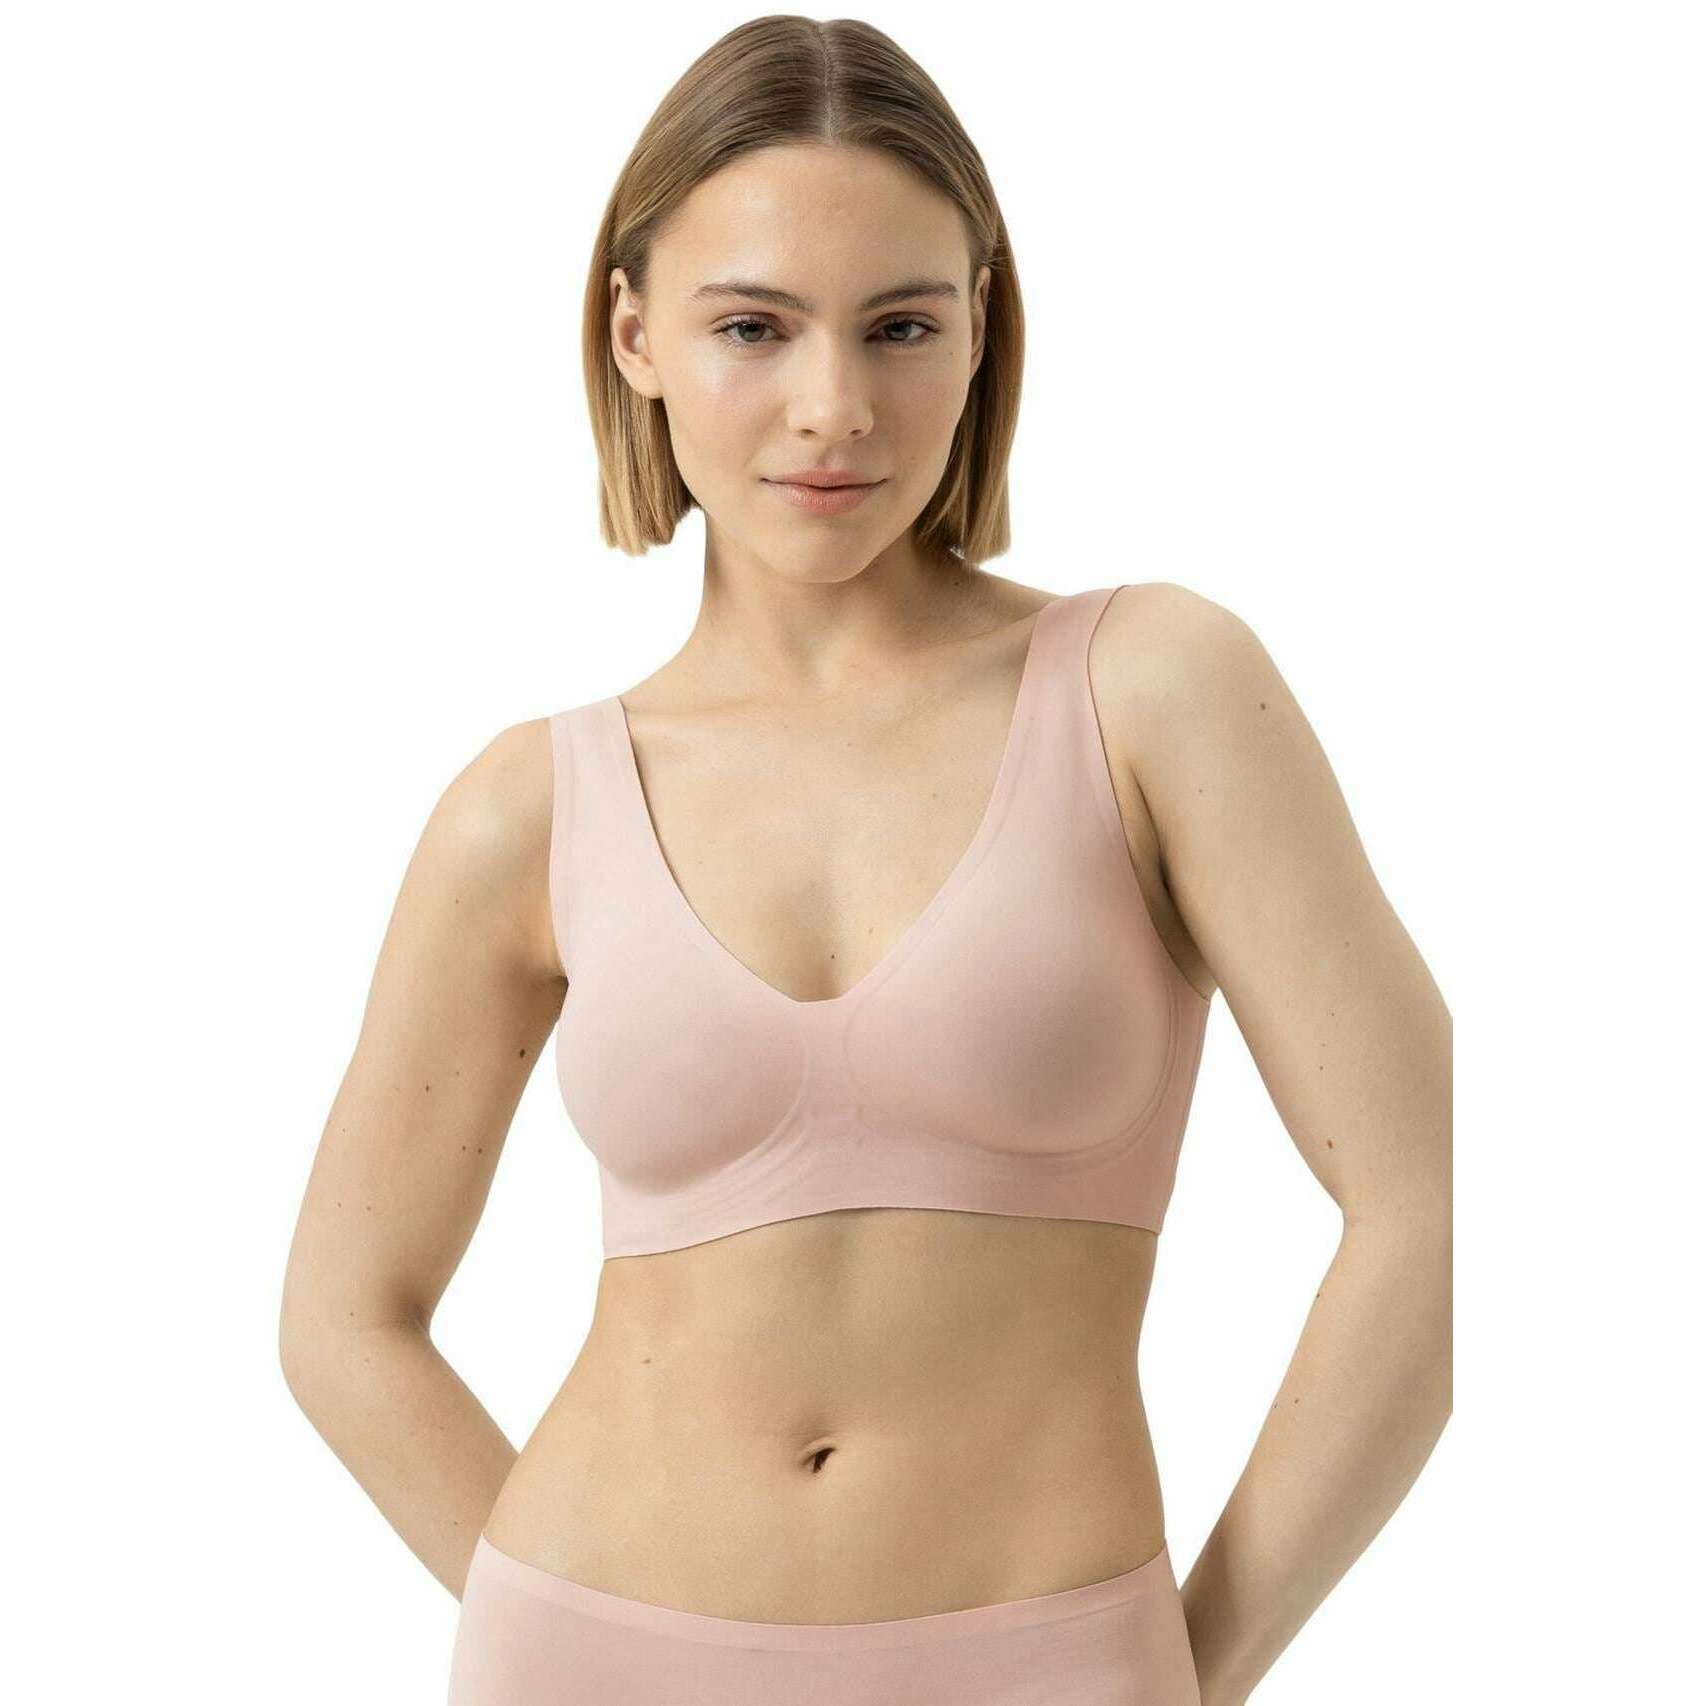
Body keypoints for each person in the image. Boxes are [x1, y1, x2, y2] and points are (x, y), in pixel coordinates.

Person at [278, 17, 1452, 1705]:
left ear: (980, 328)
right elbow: (343, 1311)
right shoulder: (530, 804)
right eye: (751, 326)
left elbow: (1431, 1204)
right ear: (633, 334)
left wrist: (1192, 1664)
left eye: (900, 325)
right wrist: (561, 1623)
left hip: (1050, 1660)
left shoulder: (1149, 691)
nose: (833, 408)